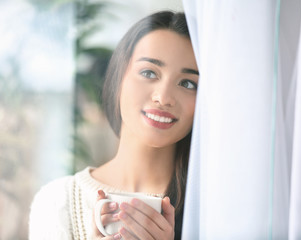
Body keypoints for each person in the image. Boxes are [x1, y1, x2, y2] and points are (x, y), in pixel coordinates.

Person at [29, 10, 198, 240]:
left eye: (187, 83)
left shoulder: (212, 207)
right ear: (119, 78)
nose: (164, 97)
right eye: (149, 72)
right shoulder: (59, 202)